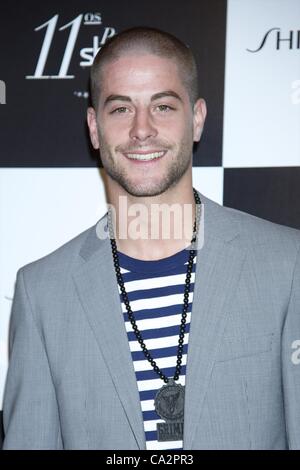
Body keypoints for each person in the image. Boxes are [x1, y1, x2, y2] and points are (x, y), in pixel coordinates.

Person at [2, 26, 300, 450]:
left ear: (196, 119)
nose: (142, 129)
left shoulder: (286, 265)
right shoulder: (42, 294)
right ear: (93, 126)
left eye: (162, 106)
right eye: (121, 109)